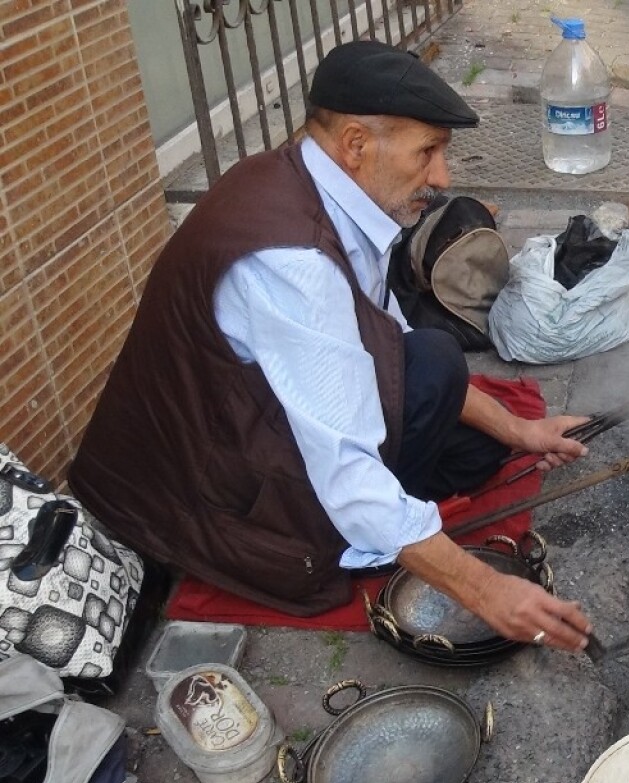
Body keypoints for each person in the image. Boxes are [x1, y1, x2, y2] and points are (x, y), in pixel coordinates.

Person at [69, 41, 592, 652]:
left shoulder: (325, 185)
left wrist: (521, 432)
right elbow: (345, 469)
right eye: (428, 151)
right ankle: (354, 545)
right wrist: (484, 590)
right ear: (355, 145)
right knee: (429, 390)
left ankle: (397, 516)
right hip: (215, 493)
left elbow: (390, 338)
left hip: (263, 420)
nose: (443, 178)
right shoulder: (294, 263)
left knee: (461, 415)